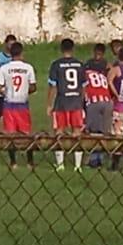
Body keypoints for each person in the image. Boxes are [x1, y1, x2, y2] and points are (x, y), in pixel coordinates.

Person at [47, 38, 86, 172]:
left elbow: (53, 86)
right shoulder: (80, 65)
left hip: (61, 102)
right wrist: (81, 100)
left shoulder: (56, 64)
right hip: (76, 102)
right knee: (77, 132)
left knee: (59, 131)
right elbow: (83, 86)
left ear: (61, 49)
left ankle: (60, 164)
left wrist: (49, 104)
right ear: (73, 49)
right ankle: (77, 165)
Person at [0, 41, 37, 169]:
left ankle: (13, 162)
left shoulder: (4, 68)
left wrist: (7, 91)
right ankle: (30, 162)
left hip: (9, 104)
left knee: (10, 134)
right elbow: (33, 87)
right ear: (21, 53)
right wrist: (26, 90)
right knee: (26, 133)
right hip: (22, 104)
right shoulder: (28, 68)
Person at [83, 43, 114, 169]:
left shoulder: (86, 74)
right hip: (107, 101)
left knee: (94, 131)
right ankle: (100, 157)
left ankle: (94, 159)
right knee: (104, 131)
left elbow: (84, 89)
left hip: (94, 101)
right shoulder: (103, 75)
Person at [0, 34, 18, 133]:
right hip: (2, 87)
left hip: (13, 87)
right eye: (10, 44)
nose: (11, 46)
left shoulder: (16, 57)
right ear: (6, 44)